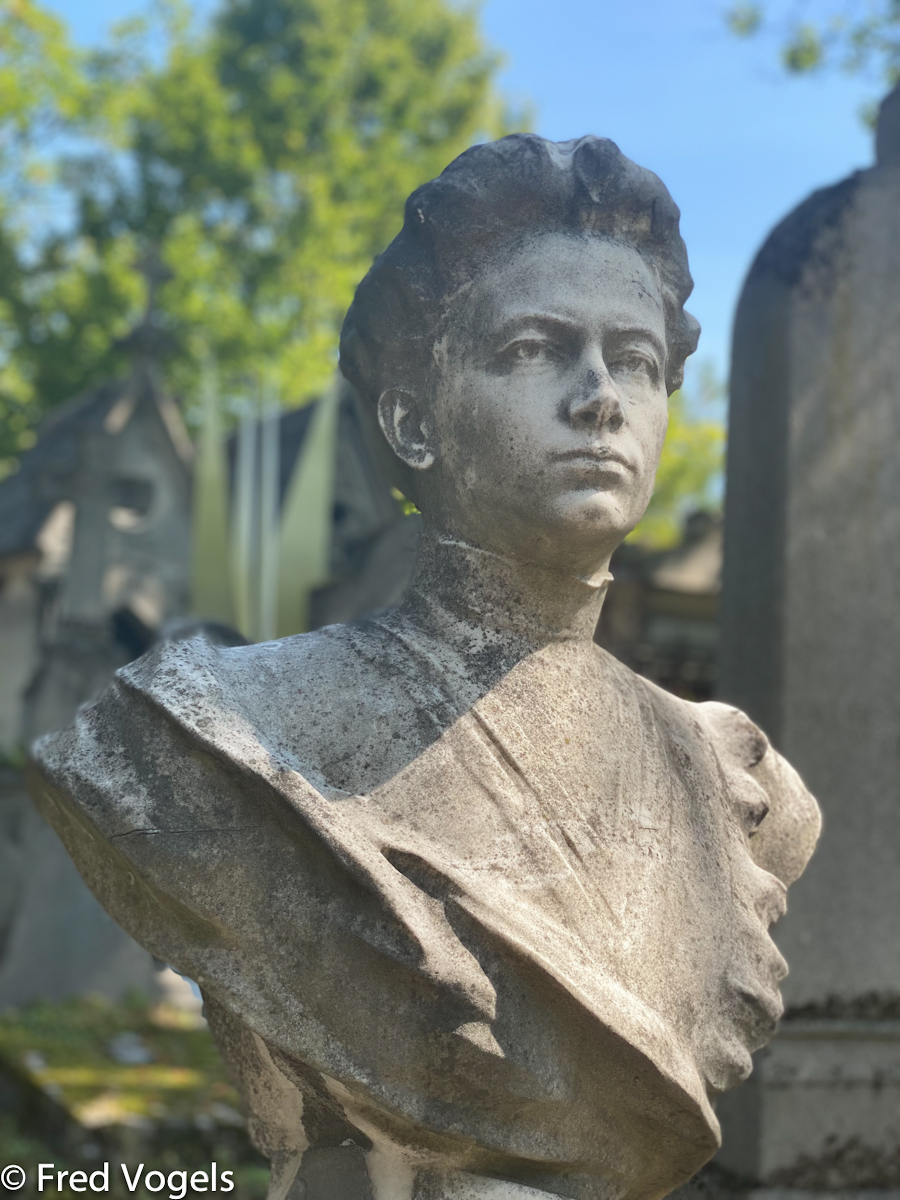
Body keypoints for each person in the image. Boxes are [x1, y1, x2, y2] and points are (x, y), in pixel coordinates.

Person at [29, 135, 820, 1200]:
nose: (601, 397)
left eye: (635, 361)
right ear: (412, 419)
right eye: (536, 348)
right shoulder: (210, 735)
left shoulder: (734, 786)